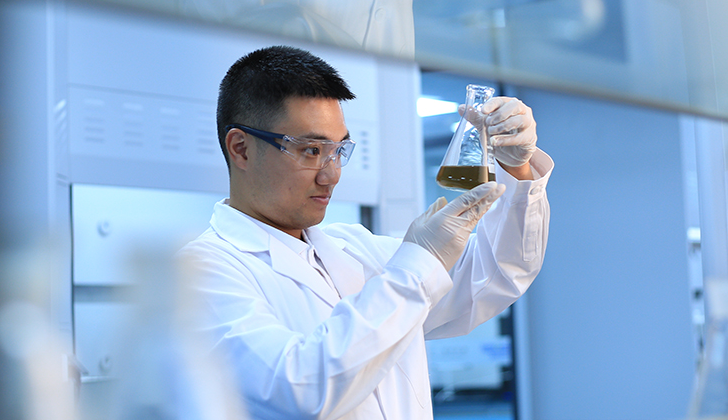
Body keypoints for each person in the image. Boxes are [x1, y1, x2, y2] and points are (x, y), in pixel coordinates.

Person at [177, 45, 554, 419]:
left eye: (338, 150)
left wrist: (516, 169)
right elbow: (300, 391)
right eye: (311, 150)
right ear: (241, 149)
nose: (331, 174)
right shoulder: (197, 276)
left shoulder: (354, 249)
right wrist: (420, 265)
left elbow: (497, 272)